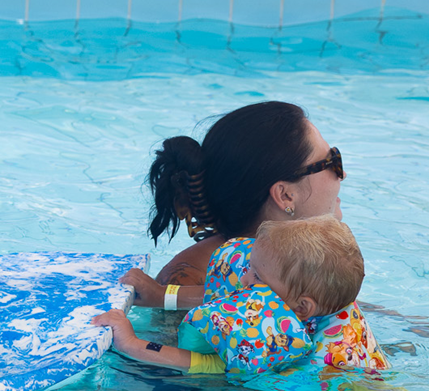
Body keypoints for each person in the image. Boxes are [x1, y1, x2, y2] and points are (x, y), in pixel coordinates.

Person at [119, 100, 347, 310]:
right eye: (332, 162)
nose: (342, 174)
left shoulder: (306, 261)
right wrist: (166, 298)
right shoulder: (185, 282)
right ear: (286, 195)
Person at [99, 216, 387, 381]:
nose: (245, 278)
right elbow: (227, 299)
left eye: (257, 276)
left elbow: (199, 363)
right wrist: (163, 296)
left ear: (302, 307)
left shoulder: (270, 343)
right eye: (250, 267)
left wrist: (131, 343)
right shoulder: (323, 309)